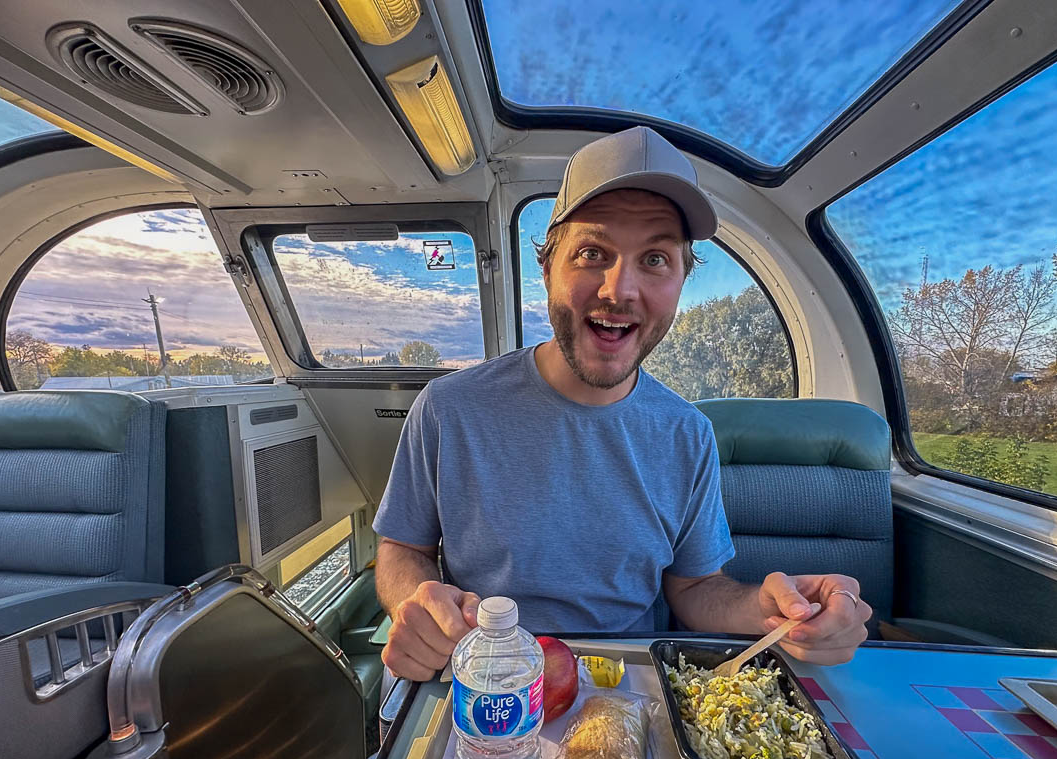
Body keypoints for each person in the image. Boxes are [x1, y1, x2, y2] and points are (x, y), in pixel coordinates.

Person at [374, 126, 872, 682]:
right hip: (482, 678)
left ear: (682, 281)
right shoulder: (449, 407)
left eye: (656, 258)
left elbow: (696, 590)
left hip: (631, 687)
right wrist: (414, 603)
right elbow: (401, 547)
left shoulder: (688, 433)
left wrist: (776, 611)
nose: (619, 289)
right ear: (548, 268)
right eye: (592, 252)